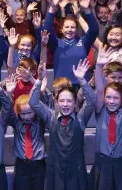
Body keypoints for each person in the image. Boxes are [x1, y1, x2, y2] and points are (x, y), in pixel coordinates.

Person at [29, 59, 95, 190]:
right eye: (62, 101)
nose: (65, 104)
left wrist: (82, 80)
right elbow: (33, 102)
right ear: (56, 101)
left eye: (69, 101)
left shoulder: (80, 118)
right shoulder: (50, 117)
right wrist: (39, 80)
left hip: (76, 170)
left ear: (75, 102)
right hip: (55, 170)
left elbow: (92, 101)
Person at [5, 63, 49, 190]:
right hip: (22, 164)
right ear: (19, 113)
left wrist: (41, 89)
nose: (27, 116)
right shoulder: (16, 122)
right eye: (23, 114)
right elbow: (7, 110)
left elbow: (46, 106)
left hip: (38, 164)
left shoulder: (40, 120)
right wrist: (8, 94)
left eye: (30, 113)